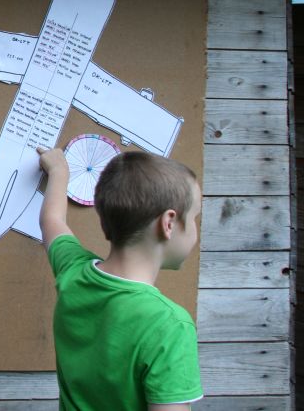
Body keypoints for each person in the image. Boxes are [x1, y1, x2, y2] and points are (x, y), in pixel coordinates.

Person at [37, 146, 203, 410]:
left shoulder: (73, 273)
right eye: (194, 217)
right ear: (169, 223)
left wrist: (58, 171)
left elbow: (51, 221)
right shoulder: (170, 325)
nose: (195, 228)